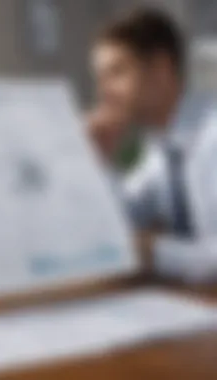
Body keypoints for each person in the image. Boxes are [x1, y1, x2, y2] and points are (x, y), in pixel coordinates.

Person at [87, 7, 216, 272]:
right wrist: (102, 162)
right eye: (100, 79)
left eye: (117, 72)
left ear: (160, 69)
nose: (104, 92)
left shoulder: (211, 135)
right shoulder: (152, 148)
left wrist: (153, 251)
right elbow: (119, 226)